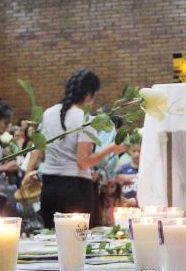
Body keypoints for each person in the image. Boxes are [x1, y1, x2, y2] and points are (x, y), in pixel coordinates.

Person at [23, 69, 127, 229]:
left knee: (53, 242)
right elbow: (83, 163)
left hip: (50, 188)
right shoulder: (85, 120)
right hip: (75, 189)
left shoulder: (48, 113)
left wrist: (28, 172)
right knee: (77, 244)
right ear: (88, 95)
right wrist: (111, 149)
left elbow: (39, 149)